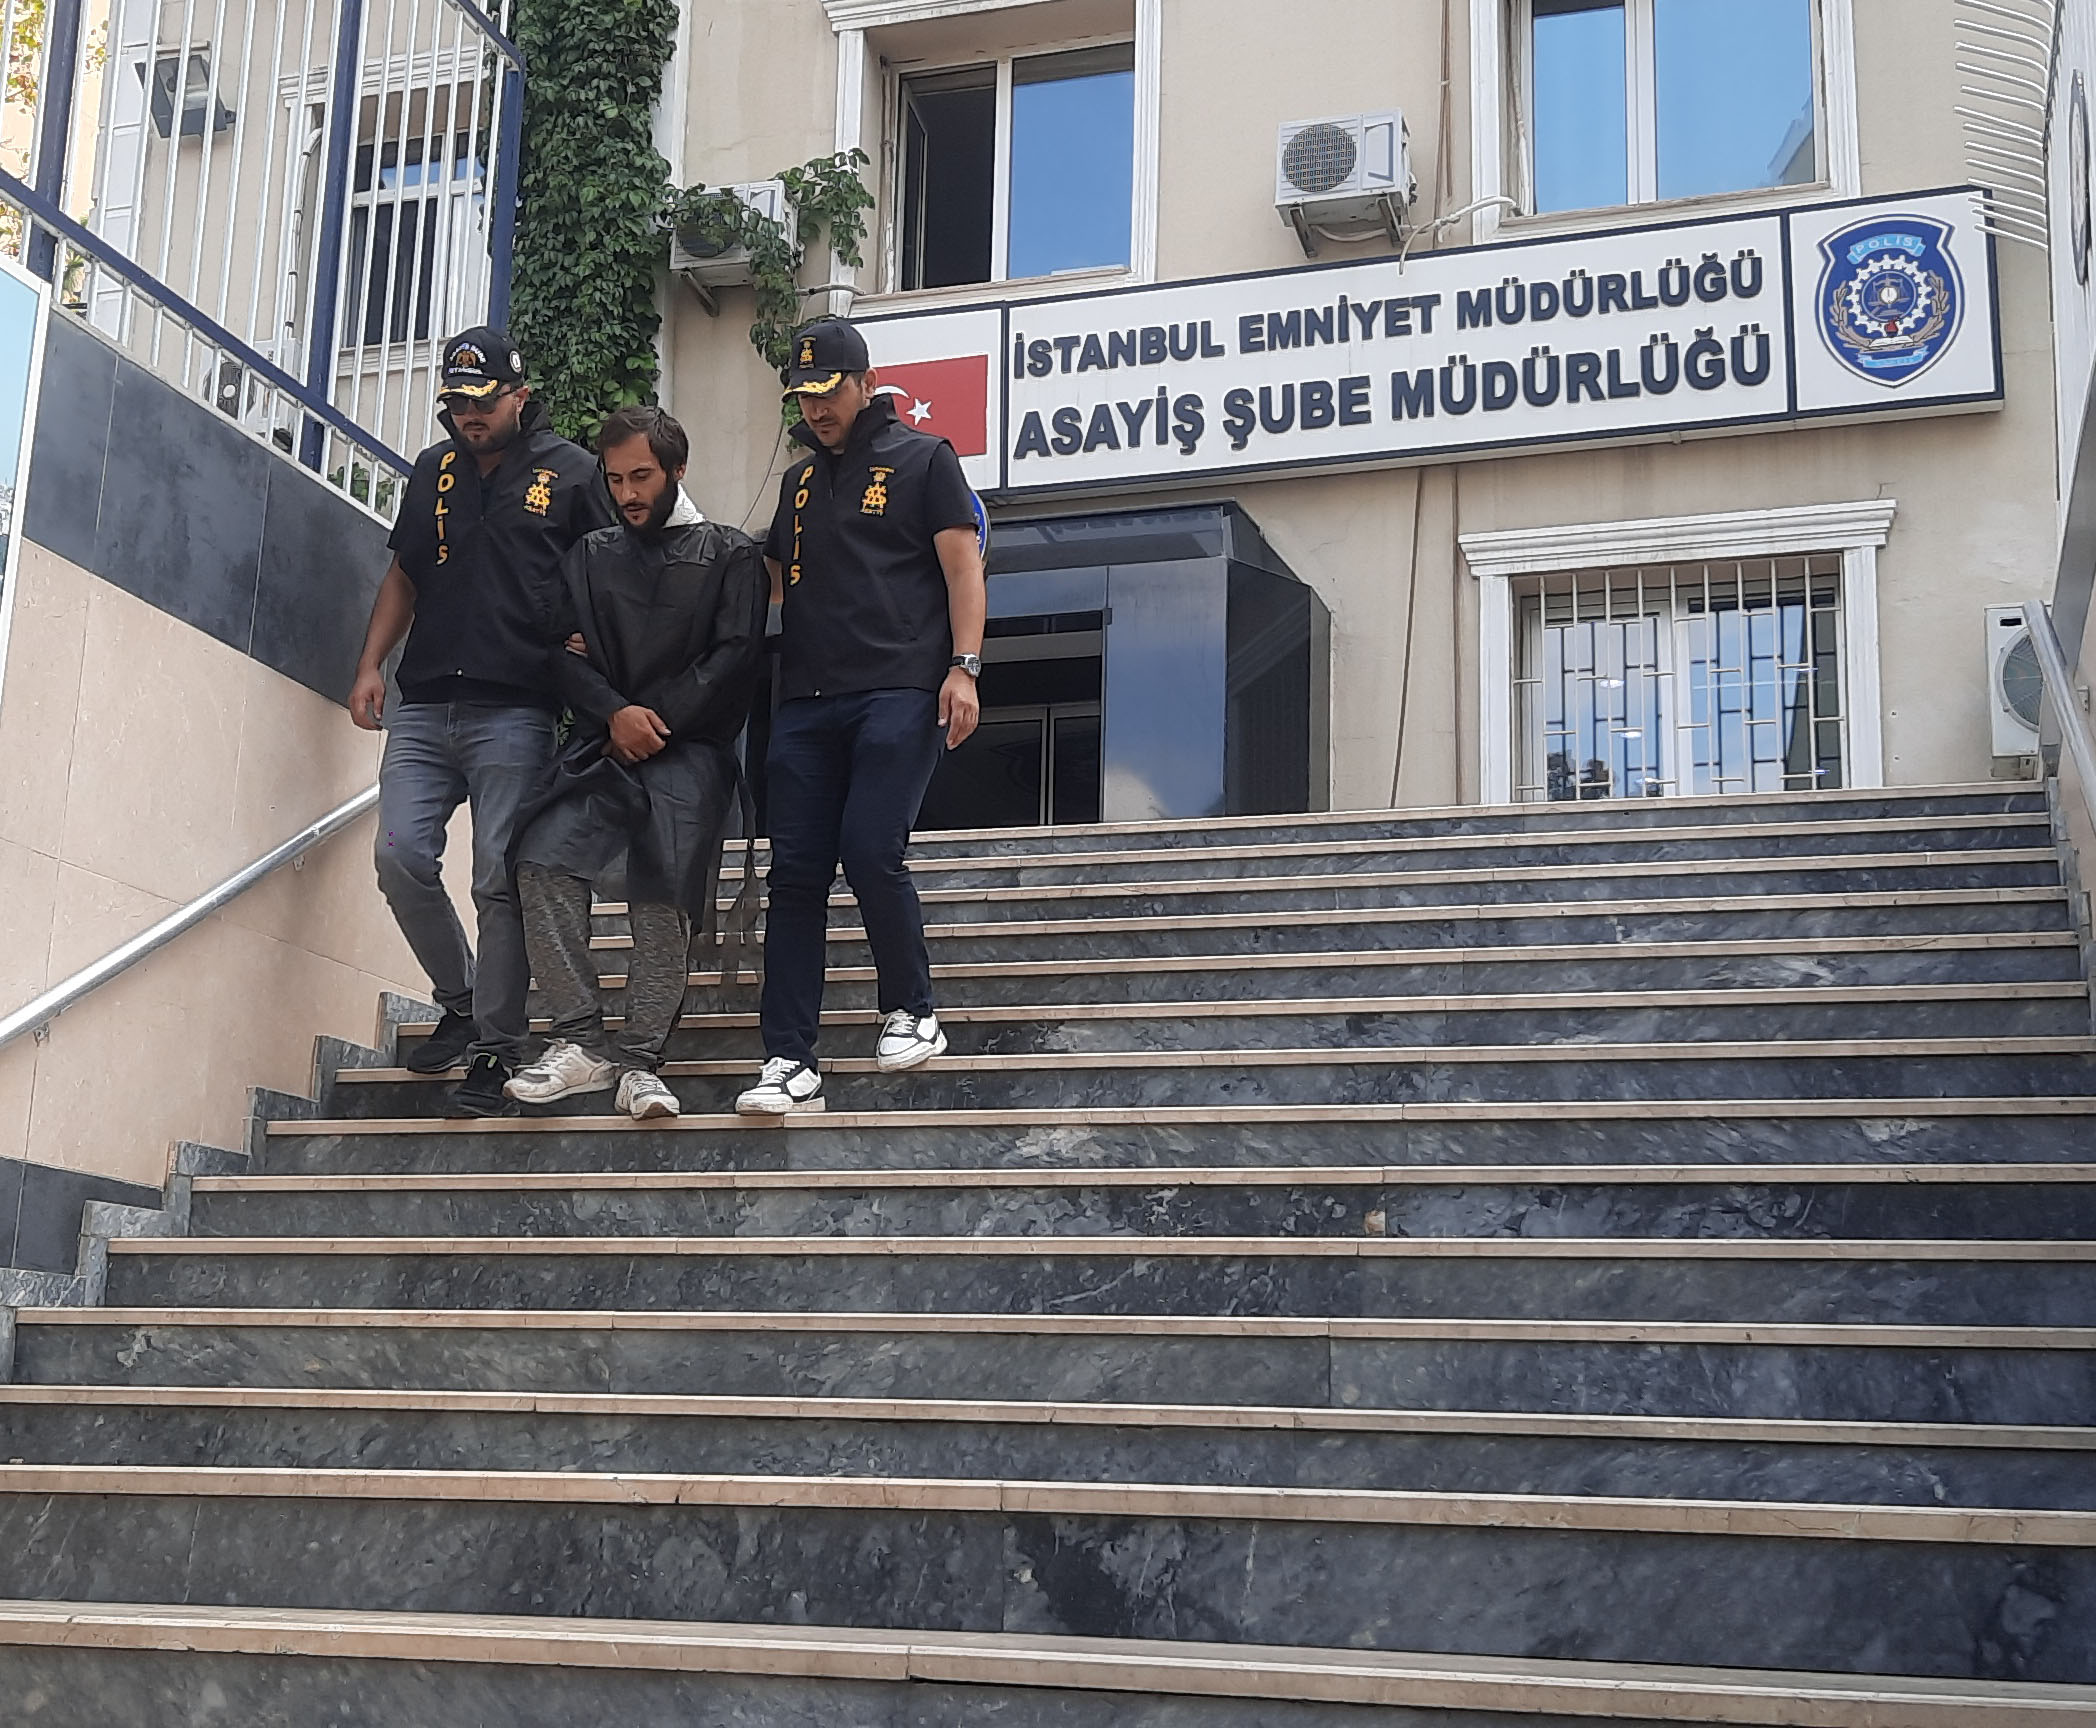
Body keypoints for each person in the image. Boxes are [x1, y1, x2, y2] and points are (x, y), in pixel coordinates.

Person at [347, 328, 615, 1117]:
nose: (469, 415)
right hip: (426, 702)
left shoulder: (572, 472)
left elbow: (609, 568)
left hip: (517, 706)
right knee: (398, 857)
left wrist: (593, 639)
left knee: (498, 881)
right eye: (457, 402)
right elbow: (404, 573)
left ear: (519, 397)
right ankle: (460, 1001)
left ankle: (499, 1045)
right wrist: (370, 664)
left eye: (484, 401)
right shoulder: (433, 470)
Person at [735, 317, 988, 1117]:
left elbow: (963, 569)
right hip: (807, 699)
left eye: (828, 390)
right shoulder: (798, 484)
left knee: (871, 848)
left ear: (866, 383)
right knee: (795, 877)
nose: (816, 408)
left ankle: (912, 1009)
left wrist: (965, 668)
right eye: (802, 395)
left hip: (899, 687)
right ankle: (788, 1061)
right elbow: (767, 580)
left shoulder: (925, 458)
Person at [502, 406, 767, 1121]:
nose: (627, 493)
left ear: (678, 470)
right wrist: (614, 713)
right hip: (603, 743)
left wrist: (655, 717)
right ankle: (580, 1040)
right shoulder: (590, 555)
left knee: (663, 892)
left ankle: (641, 1062)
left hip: (692, 750)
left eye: (641, 476)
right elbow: (559, 650)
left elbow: (734, 656)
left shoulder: (731, 555)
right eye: (615, 479)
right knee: (542, 859)